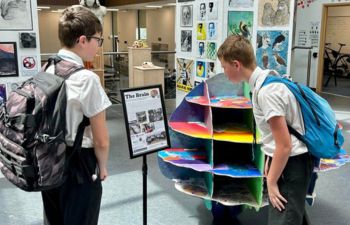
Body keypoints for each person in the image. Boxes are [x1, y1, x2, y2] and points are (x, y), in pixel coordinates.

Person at [217, 35, 314, 225]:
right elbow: (278, 135)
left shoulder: (267, 93)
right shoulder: (267, 79)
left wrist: (270, 182)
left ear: (236, 65)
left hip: (292, 164)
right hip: (288, 161)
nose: (224, 72)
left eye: (224, 66)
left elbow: (285, 145)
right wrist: (270, 158)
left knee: (285, 218)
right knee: (293, 215)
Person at [41, 5, 111, 225]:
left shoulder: (47, 67)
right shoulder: (87, 79)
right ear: (83, 40)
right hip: (79, 164)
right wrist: (103, 166)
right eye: (98, 40)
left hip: (49, 159)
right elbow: (100, 140)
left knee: (55, 219)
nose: (98, 47)